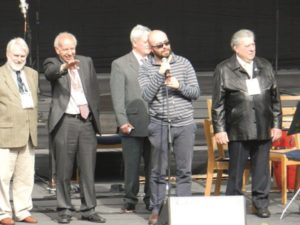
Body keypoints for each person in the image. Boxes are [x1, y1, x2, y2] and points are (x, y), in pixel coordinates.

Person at [212, 29, 282, 218]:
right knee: (236, 171)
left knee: (261, 170)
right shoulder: (224, 68)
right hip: (238, 128)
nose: (252, 49)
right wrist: (219, 129)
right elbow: (218, 104)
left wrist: (277, 125)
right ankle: (232, 204)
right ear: (236, 48)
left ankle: (260, 204)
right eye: (247, 46)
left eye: (253, 44)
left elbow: (275, 99)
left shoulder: (265, 65)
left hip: (262, 126)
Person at [138, 30, 200, 224]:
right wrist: (160, 73)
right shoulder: (145, 67)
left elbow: (196, 92)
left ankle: (184, 209)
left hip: (184, 124)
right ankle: (156, 208)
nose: (165, 47)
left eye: (166, 42)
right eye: (159, 45)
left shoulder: (184, 63)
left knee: (184, 170)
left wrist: (178, 85)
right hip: (160, 124)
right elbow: (146, 96)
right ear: (151, 48)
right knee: (158, 170)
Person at [43, 32, 106, 224]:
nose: (70, 52)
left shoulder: (86, 61)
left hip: (86, 121)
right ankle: (64, 208)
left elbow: (94, 89)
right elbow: (50, 73)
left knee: (88, 168)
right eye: (66, 49)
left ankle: (89, 209)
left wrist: (95, 115)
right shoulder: (52, 62)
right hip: (65, 121)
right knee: (64, 168)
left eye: (72, 48)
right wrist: (65, 66)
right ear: (58, 50)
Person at [110, 24, 152, 212]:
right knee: (132, 165)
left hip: (155, 122)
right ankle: (130, 199)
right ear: (135, 43)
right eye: (145, 42)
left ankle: (152, 199)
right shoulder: (120, 64)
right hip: (133, 123)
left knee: (154, 166)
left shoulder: (156, 61)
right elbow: (117, 97)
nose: (149, 45)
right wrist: (122, 122)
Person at [0, 38, 38, 225]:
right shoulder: (0, 74)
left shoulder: (32, 74)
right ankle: (3, 213)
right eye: (16, 55)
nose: (19, 59)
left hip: (28, 133)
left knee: (25, 176)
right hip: (5, 132)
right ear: (7, 54)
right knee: (2, 177)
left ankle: (23, 211)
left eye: (23, 56)